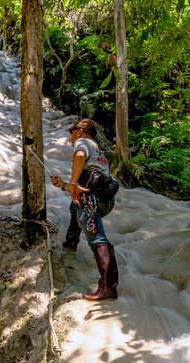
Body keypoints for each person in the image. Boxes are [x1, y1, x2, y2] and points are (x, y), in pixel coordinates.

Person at [50, 118, 119, 301]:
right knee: (75, 206)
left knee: (97, 239)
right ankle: (70, 244)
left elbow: (79, 157)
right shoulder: (98, 151)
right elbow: (84, 186)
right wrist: (65, 185)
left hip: (91, 202)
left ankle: (108, 287)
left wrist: (72, 183)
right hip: (104, 200)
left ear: (80, 132)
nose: (70, 137)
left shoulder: (83, 143)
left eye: (71, 132)